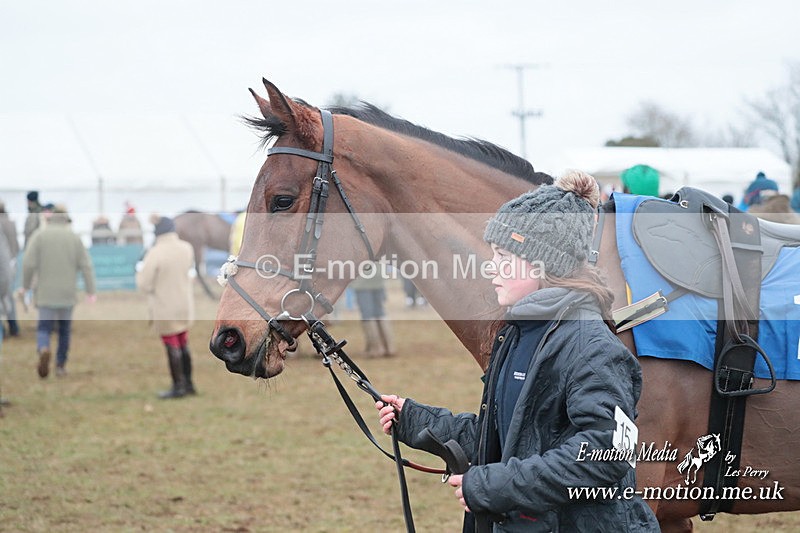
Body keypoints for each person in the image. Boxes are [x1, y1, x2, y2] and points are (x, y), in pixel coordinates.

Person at [376, 171, 657, 531]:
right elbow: (506, 437)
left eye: (504, 255)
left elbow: (606, 454)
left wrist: (496, 486)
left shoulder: (591, 345)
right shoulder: (516, 335)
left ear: (543, 264)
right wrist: (417, 421)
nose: (491, 267)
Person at [21, 204, 96, 378]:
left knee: (44, 328)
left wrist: (25, 286)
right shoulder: (74, 238)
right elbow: (86, 266)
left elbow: (28, 263)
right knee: (64, 330)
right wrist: (90, 290)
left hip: (45, 293)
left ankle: (43, 348)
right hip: (67, 294)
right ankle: (60, 365)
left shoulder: (39, 236)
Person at [136, 216, 197, 399]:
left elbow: (144, 284)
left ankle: (178, 386)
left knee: (172, 344)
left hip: (165, 305)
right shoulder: (186, 248)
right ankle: (188, 383)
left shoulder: (155, 252)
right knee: (183, 342)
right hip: (184, 304)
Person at [350, 266, 395, 357]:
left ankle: (376, 348)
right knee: (380, 312)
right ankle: (388, 347)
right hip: (379, 278)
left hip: (363, 281)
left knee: (367, 315)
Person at [0, 201, 19, 337]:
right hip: (11, 263)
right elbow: (16, 245)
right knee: (9, 296)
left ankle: (4, 329)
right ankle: (13, 326)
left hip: (3, 264)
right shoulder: (11, 223)